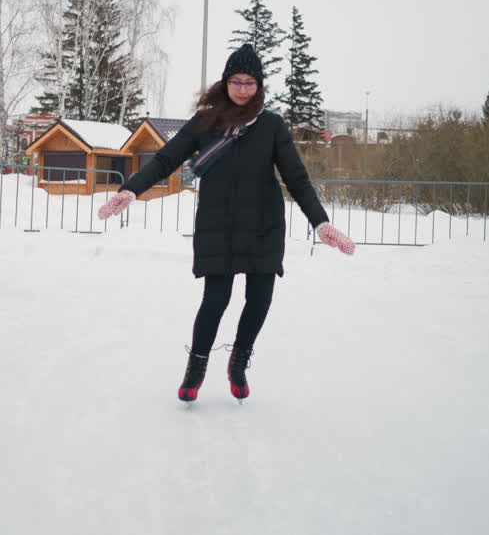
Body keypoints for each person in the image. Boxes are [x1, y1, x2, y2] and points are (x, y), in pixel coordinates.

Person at [97, 43, 355, 403]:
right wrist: (131, 191)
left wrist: (320, 223)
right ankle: (196, 367)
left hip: (264, 225)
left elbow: (296, 178)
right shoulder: (206, 123)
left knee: (259, 299)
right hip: (218, 225)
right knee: (215, 300)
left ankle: (239, 361)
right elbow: (166, 159)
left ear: (260, 85)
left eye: (251, 82)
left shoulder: (271, 126)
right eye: (237, 81)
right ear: (225, 82)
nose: (243, 89)